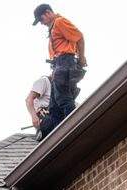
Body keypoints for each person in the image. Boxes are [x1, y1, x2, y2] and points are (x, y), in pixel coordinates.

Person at [32, 4, 86, 138]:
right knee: (54, 105)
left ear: (48, 12)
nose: (41, 23)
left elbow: (79, 37)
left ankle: (73, 126)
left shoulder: (59, 22)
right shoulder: (53, 27)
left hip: (65, 62)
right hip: (59, 65)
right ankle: (57, 135)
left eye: (41, 19)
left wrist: (81, 56)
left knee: (63, 97)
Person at [25, 74, 51, 140]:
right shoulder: (44, 80)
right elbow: (29, 99)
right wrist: (34, 117)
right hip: (44, 116)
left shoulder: (60, 88)